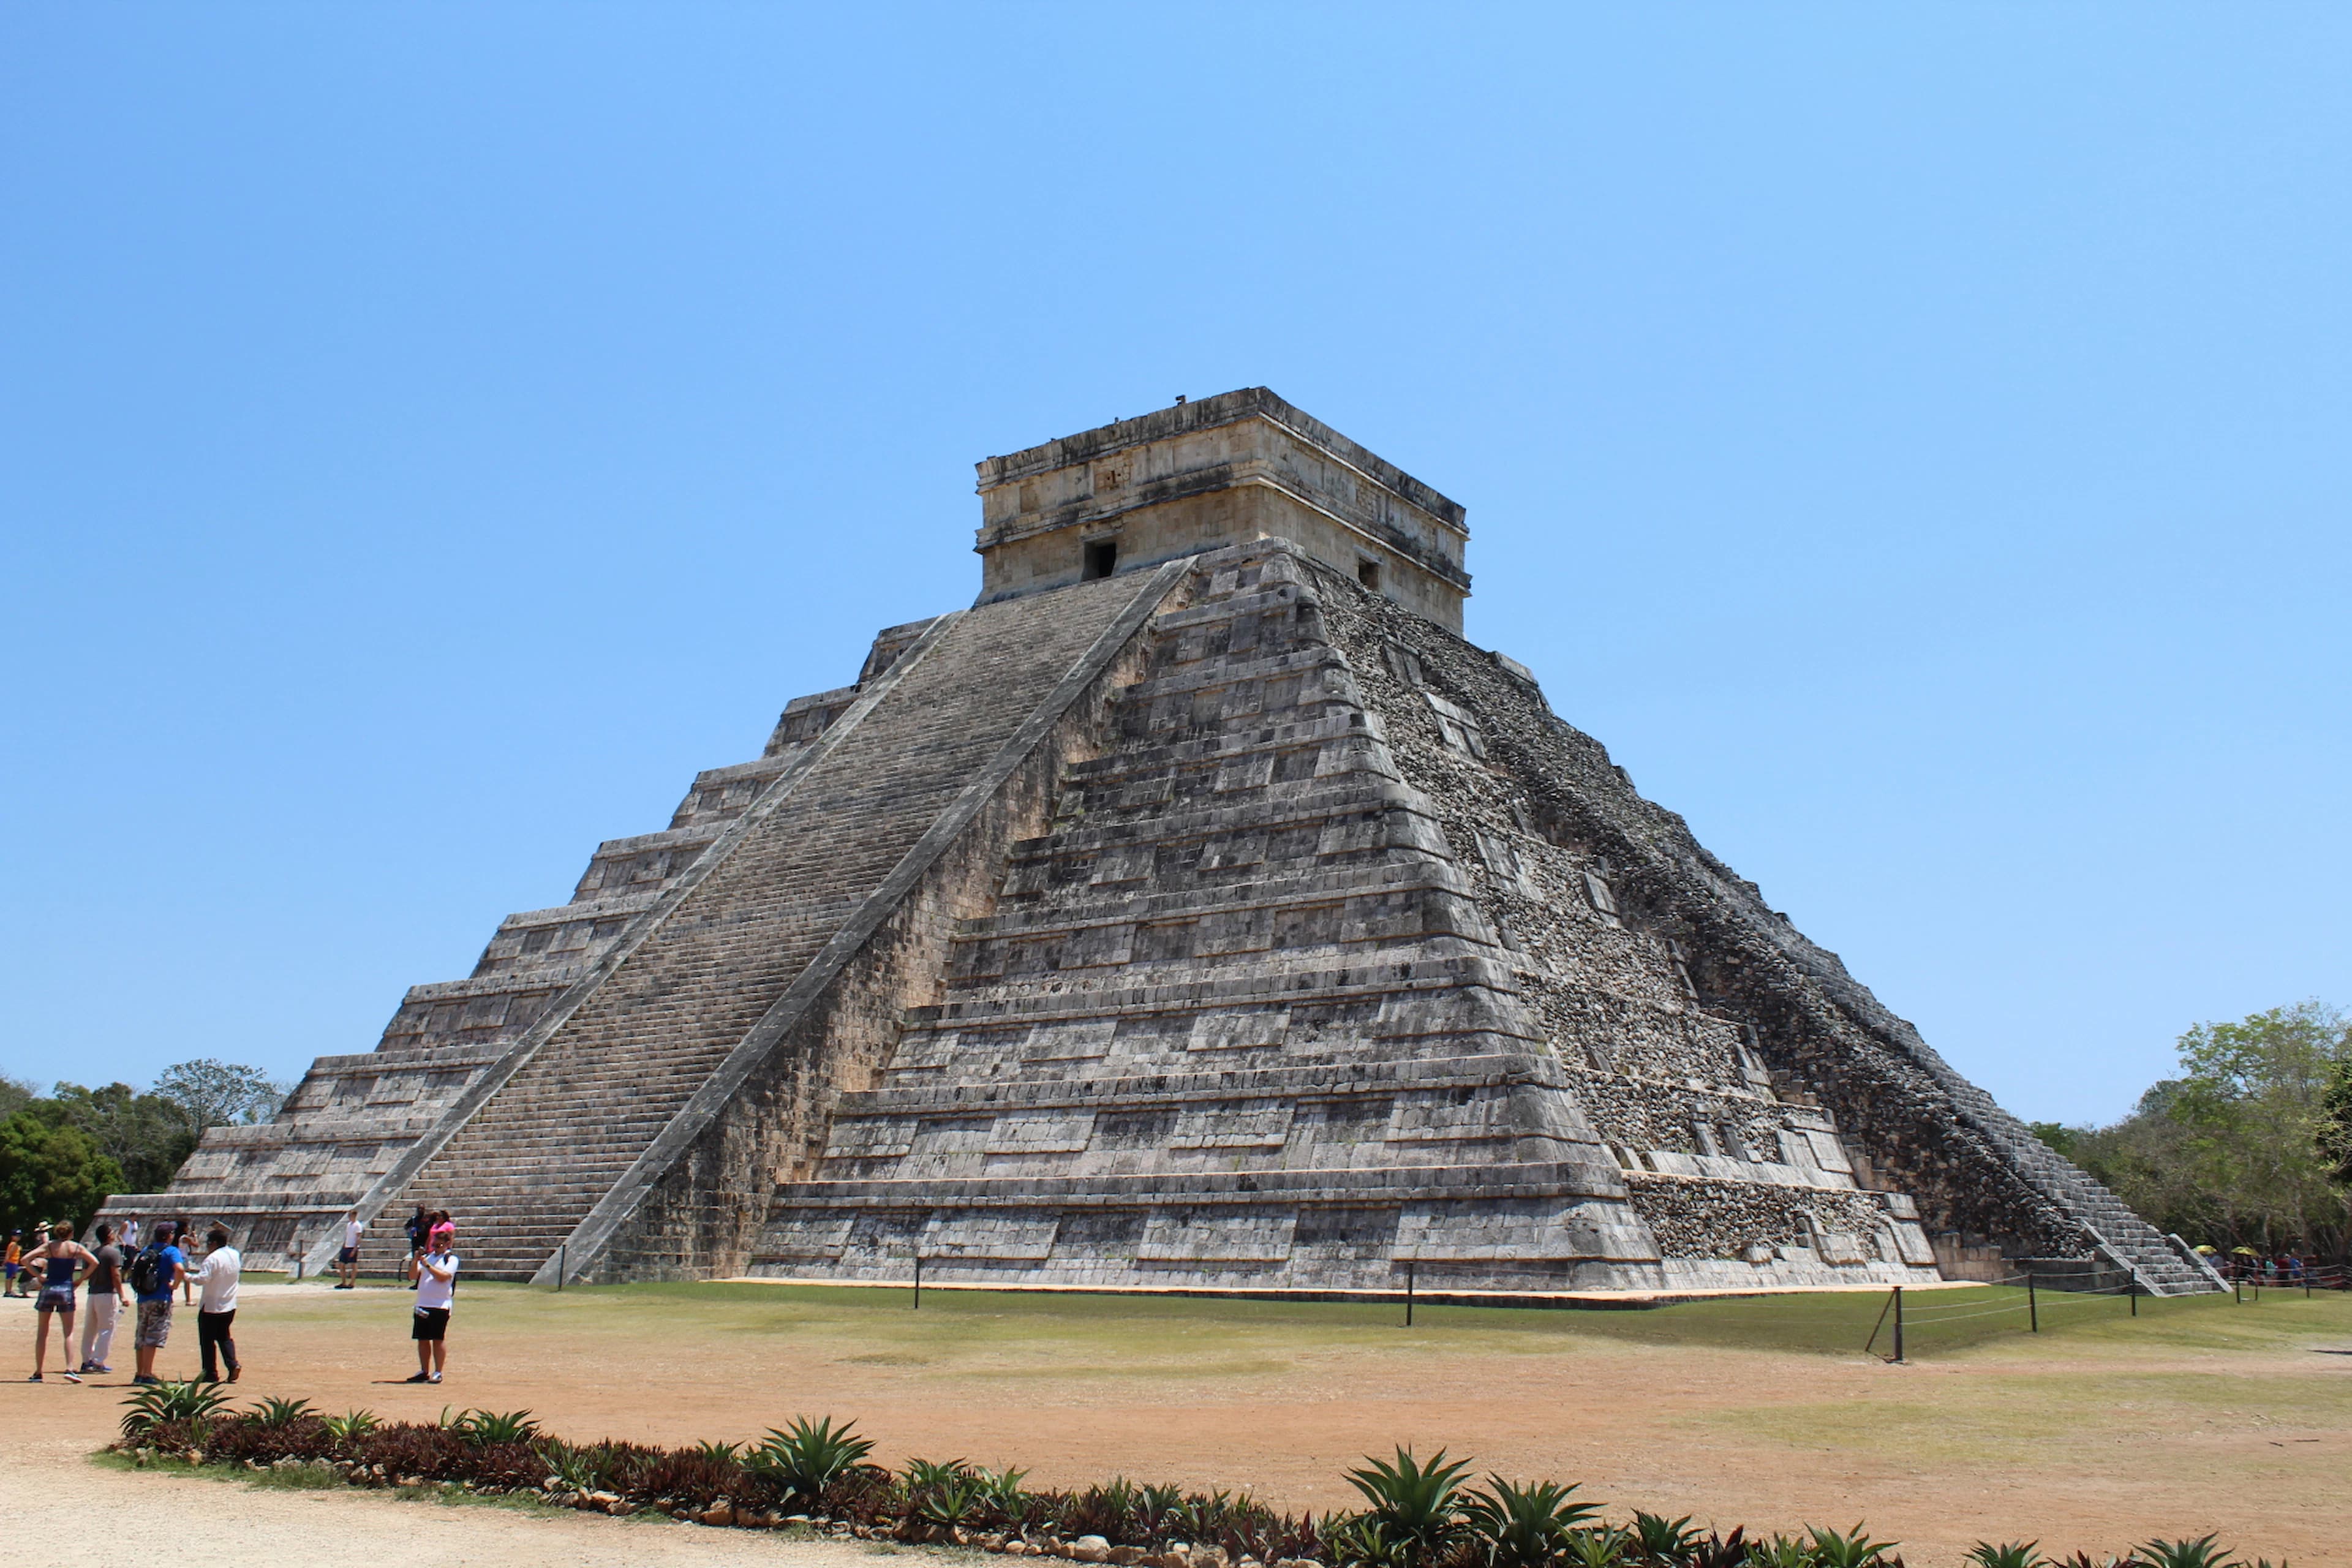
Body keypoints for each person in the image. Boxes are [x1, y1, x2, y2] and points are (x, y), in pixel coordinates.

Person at [25, 1223, 97, 1383]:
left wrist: (39, 1276)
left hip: (49, 1287)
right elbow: (94, 1262)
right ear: (71, 1233)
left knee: (42, 1332)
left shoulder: (49, 1247)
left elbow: (26, 1259)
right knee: (68, 1332)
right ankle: (70, 1368)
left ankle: (38, 1372)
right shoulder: (75, 1248)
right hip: (66, 1288)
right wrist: (81, 1279)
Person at [130, 1221, 187, 1385]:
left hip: (143, 1298)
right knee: (153, 1335)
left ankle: (140, 1373)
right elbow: (180, 1269)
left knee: (141, 1334)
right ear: (169, 1236)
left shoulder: (147, 1249)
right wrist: (174, 1286)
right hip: (161, 1297)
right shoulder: (171, 1251)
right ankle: (147, 1374)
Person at [187, 1225, 241, 1384]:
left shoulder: (212, 1259)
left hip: (211, 1305)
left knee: (207, 1340)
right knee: (224, 1336)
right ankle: (232, 1364)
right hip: (229, 1304)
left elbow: (202, 1280)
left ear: (214, 1243)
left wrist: (187, 1276)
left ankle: (210, 1372)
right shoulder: (235, 1254)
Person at [403, 1240, 458, 1384]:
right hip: (423, 1303)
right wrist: (416, 1261)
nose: (436, 1248)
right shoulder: (428, 1258)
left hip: (440, 1305)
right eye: (434, 1245)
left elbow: (443, 1277)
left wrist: (427, 1265)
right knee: (422, 1339)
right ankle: (424, 1371)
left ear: (447, 1244)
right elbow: (413, 1276)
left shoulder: (451, 1260)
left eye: (439, 1245)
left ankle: (438, 1372)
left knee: (438, 1339)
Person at [78, 1222, 129, 1374]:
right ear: (109, 1236)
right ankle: (98, 1361)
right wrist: (122, 1295)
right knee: (107, 1329)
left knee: (90, 1329)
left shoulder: (92, 1253)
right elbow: (116, 1275)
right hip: (107, 1294)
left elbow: (85, 1274)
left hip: (92, 1293)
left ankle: (87, 1360)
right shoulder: (113, 1253)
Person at [337, 1210, 364, 1290]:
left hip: (353, 1247)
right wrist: (344, 1246)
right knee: (341, 1264)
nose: (349, 1217)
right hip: (347, 1246)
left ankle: (352, 1283)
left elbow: (358, 1238)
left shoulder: (358, 1225)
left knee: (353, 1265)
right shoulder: (349, 1225)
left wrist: (354, 1249)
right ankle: (344, 1282)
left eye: (351, 1215)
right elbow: (348, 1236)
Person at [403, 1205, 427, 1290]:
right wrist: (411, 1232)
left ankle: (424, 1282)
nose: (421, 1210)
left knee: (425, 1264)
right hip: (416, 1244)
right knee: (416, 1264)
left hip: (425, 1244)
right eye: (419, 1209)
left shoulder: (427, 1220)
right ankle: (417, 1283)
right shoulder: (414, 1220)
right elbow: (406, 1227)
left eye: (422, 1209)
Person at [3, 1231, 21, 1297]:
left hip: (14, 1262)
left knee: (11, 1277)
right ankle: (8, 1291)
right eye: (17, 1236)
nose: (18, 1237)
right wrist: (6, 1261)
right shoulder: (13, 1244)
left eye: (19, 1236)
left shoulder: (16, 1244)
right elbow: (9, 1254)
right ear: (13, 1236)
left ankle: (9, 1290)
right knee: (9, 1277)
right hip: (12, 1262)